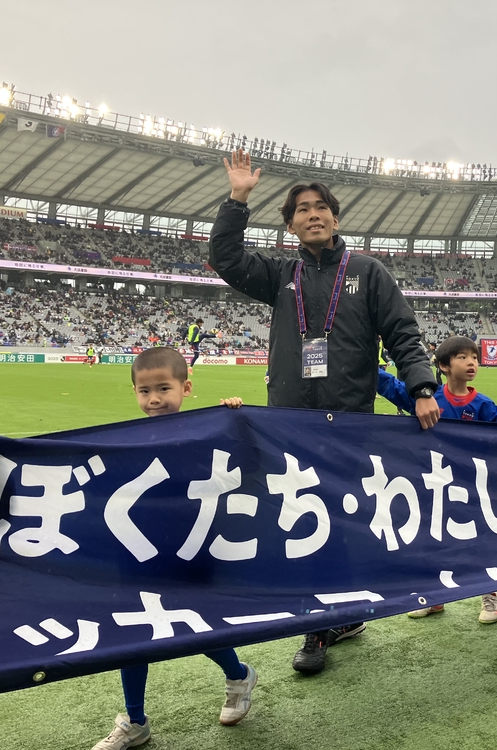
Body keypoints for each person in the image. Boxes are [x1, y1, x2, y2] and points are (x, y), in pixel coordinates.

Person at [209, 149, 439, 676]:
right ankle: (320, 622)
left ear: (335, 218)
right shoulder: (280, 274)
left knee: (345, 519)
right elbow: (225, 259)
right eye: (302, 209)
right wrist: (238, 198)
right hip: (290, 422)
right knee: (301, 518)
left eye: (321, 207)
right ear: (290, 225)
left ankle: (340, 615)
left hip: (349, 421)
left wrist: (422, 387)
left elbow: (402, 332)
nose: (312, 214)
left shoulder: (367, 272)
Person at [94, 347, 255, 750]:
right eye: (144, 391)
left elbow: (244, 461)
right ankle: (135, 720)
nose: (154, 399)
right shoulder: (128, 438)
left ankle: (238, 675)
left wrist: (232, 418)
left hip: (191, 548)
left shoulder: (205, 431)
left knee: (195, 627)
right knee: (134, 635)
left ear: (186, 388)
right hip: (139, 552)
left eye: (163, 388)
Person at [376, 336, 497, 624]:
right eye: (463, 357)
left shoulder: (482, 404)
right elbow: (390, 386)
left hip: (470, 488)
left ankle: (489, 595)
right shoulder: (427, 399)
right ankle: (433, 596)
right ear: (444, 366)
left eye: (474, 357)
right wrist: (365, 364)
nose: (471, 362)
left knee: (478, 541)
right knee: (432, 539)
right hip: (433, 486)